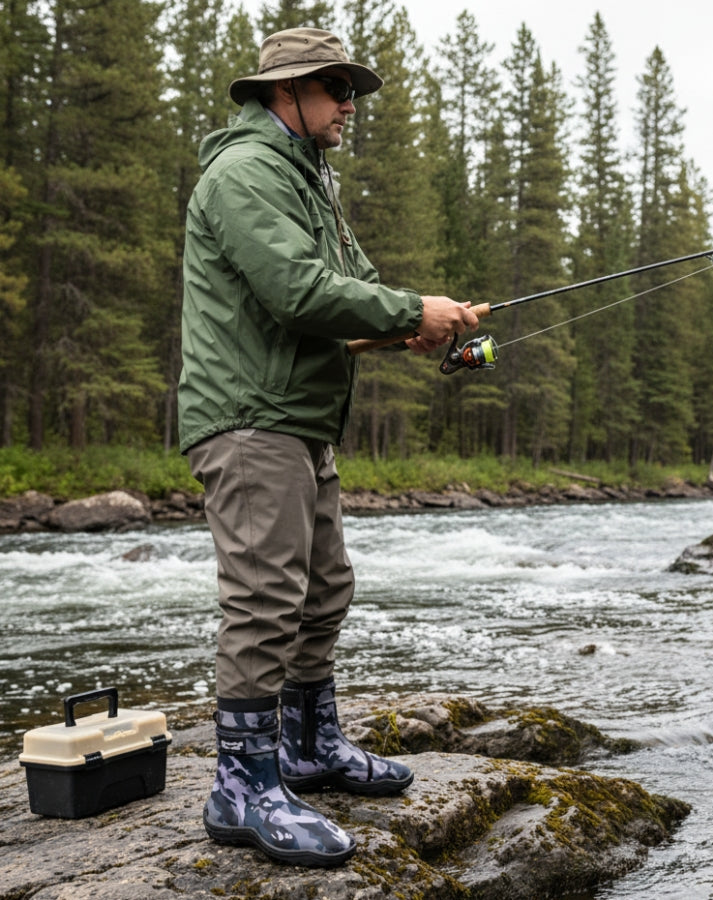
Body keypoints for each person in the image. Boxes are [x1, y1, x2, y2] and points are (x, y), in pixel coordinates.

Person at [177, 26, 479, 867]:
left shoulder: (306, 178)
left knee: (325, 587)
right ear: (285, 94)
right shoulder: (244, 175)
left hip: (298, 419)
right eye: (335, 86)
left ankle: (309, 749)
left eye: (351, 88)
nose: (351, 103)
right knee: (266, 597)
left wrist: (420, 329)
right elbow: (296, 291)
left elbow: (349, 296)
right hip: (248, 417)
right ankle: (241, 785)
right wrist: (410, 310)